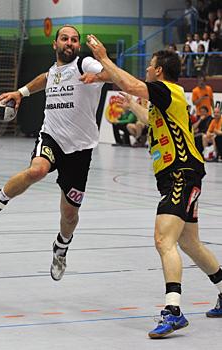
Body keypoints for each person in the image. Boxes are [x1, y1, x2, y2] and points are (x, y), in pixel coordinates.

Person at [86, 35, 222, 339]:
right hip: (182, 174)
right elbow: (152, 119)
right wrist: (134, 106)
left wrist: (105, 59)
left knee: (163, 240)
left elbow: (134, 84)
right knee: (189, 243)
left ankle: (173, 311)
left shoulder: (168, 89)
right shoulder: (166, 100)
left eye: (150, 66)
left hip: (181, 174)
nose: (147, 69)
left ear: (159, 71)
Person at [0, 25, 110, 282]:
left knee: (69, 215)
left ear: (78, 45)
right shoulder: (55, 71)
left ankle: (61, 247)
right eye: (64, 39)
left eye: (74, 40)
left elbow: (114, 76)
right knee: (38, 170)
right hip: (52, 137)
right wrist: (20, 92)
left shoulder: (85, 63)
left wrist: (101, 69)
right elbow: (45, 78)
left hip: (80, 150)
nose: (69, 42)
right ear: (54, 44)